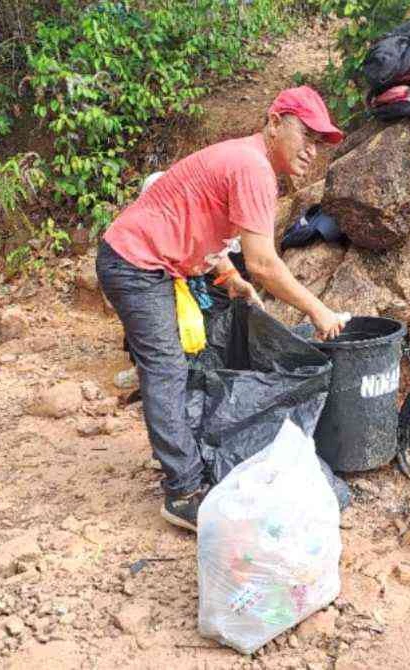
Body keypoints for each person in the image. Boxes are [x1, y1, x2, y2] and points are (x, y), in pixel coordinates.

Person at [96, 86, 347, 532]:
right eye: (305, 135)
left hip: (158, 261)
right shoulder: (254, 168)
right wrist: (318, 311)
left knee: (184, 357)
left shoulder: (248, 162)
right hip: (135, 263)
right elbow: (265, 262)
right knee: (167, 366)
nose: (312, 151)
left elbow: (206, 232)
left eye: (319, 144)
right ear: (274, 123)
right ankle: (184, 492)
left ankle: (189, 452)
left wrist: (232, 280)